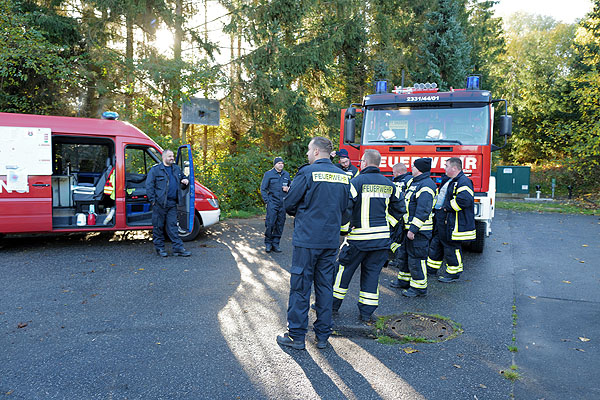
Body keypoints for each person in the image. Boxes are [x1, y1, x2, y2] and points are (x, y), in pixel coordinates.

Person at [276, 137, 351, 350]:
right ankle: (323, 337)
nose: (307, 154)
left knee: (300, 287)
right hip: (330, 241)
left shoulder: (307, 173)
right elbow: (346, 211)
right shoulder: (344, 176)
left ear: (317, 152)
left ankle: (297, 337)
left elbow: (289, 203)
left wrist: (304, 213)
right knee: (325, 287)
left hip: (307, 240)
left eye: (309, 150)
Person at [332, 150, 405, 323]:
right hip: (380, 241)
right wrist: (388, 224)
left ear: (364, 162)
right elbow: (400, 208)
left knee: (343, 272)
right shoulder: (390, 184)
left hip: (358, 239)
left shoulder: (355, 183)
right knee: (372, 276)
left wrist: (344, 230)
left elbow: (346, 209)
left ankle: (332, 306)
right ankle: (366, 314)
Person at [389, 158, 436, 297]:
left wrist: (413, 229)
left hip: (419, 231)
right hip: (408, 228)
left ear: (419, 169)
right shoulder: (416, 183)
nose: (411, 168)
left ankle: (419, 288)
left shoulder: (426, 185)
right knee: (404, 255)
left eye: (413, 167)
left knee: (417, 259)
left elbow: (423, 210)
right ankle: (404, 280)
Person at [427, 157, 475, 282]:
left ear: (454, 168)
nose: (444, 168)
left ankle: (454, 273)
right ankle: (431, 268)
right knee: (436, 244)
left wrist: (446, 208)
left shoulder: (463, 181)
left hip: (451, 221)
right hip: (442, 220)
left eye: (446, 166)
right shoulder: (450, 181)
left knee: (451, 247)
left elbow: (465, 199)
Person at [146, 149, 191, 257]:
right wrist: (153, 201)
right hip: (159, 204)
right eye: (170, 156)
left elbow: (182, 180)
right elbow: (149, 186)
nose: (172, 158)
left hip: (172, 204)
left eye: (173, 156)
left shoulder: (176, 168)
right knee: (158, 227)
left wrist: (185, 181)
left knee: (173, 227)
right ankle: (160, 249)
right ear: (164, 157)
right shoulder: (156, 170)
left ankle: (178, 249)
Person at [260, 157, 291, 253]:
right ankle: (268, 243)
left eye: (282, 163)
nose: (281, 165)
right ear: (275, 165)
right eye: (279, 163)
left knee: (280, 224)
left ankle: (276, 244)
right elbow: (263, 189)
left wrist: (288, 189)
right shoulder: (269, 174)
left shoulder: (286, 174)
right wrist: (267, 201)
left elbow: (291, 187)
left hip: (283, 203)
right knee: (270, 223)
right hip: (272, 203)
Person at [388, 163, 413, 267]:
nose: (393, 174)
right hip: (397, 215)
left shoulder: (410, 181)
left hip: (404, 216)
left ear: (398, 172)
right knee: (396, 238)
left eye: (394, 172)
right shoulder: (395, 181)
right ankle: (399, 258)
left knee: (400, 239)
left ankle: (400, 260)